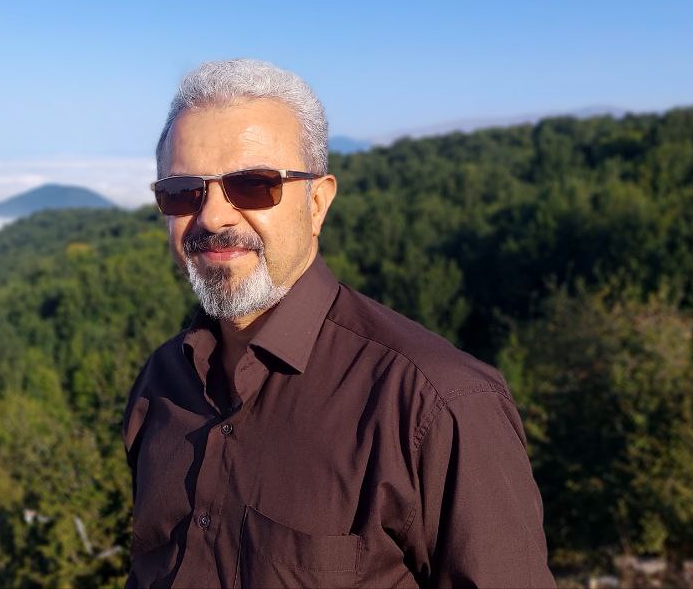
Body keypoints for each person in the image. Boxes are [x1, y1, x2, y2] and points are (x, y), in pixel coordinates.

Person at [122, 59, 556, 588]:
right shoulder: (161, 384)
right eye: (184, 191)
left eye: (254, 185)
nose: (213, 217)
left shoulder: (436, 404)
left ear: (318, 203)